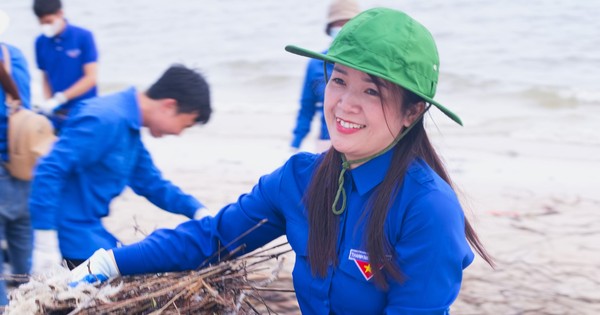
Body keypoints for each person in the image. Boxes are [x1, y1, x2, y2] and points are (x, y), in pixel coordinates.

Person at [71, 8, 494, 314]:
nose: (344, 104)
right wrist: (110, 261)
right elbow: (212, 239)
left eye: (372, 91)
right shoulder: (299, 179)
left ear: (412, 112)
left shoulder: (428, 208)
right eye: (338, 80)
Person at [29, 64, 213, 273]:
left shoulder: (129, 128)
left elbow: (152, 183)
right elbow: (50, 170)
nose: (180, 133)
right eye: (185, 125)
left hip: (88, 229)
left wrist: (197, 210)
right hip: (65, 235)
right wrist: (44, 240)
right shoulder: (104, 119)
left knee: (137, 265)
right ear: (169, 106)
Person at [290, 0, 360, 152]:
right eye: (337, 24)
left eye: (348, 24)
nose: (342, 29)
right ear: (329, 29)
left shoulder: (369, 65)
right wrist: (295, 145)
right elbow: (306, 108)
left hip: (363, 140)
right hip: (326, 142)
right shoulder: (315, 64)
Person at [0, 11, 34, 306]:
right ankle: (28, 303)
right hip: (23, 165)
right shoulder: (16, 57)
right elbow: (26, 106)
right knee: (23, 241)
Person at [32, 0, 98, 132]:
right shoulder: (40, 42)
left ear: (60, 13)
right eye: (42, 22)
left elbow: (91, 78)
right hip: (57, 115)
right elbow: (45, 76)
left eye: (49, 22)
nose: (46, 26)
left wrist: (61, 98)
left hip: (85, 111)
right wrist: (49, 102)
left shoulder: (83, 36)